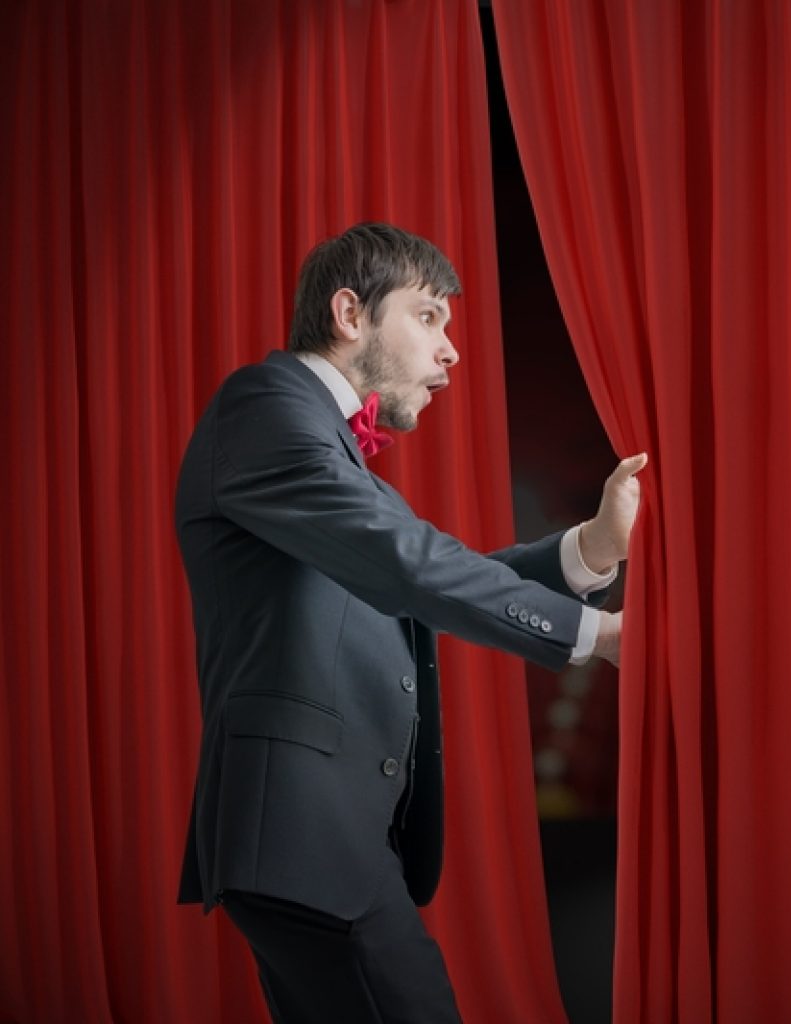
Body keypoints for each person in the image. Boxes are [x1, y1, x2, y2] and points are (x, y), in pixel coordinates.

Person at [174, 222, 646, 1023]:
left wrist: (591, 549)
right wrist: (596, 636)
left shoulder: (321, 452)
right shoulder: (265, 407)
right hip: (306, 835)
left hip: (321, 841)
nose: (451, 349)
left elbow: (419, 572)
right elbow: (410, 566)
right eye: (429, 316)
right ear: (350, 314)